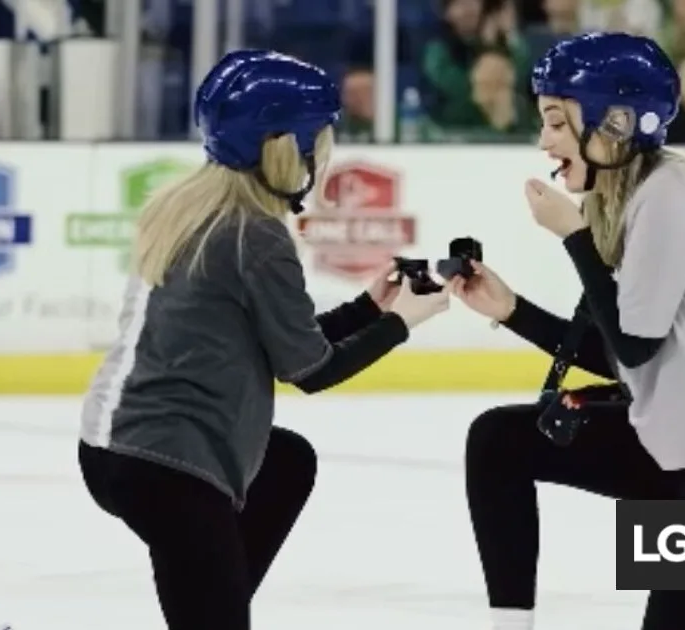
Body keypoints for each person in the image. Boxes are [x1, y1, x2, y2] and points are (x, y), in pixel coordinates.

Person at [77, 50, 449, 630]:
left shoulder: (185, 208)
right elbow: (311, 372)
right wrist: (402, 322)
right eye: (317, 143)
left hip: (116, 446)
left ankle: (214, 602)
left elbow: (286, 345)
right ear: (283, 146)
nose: (322, 158)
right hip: (167, 461)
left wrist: (369, 307)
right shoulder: (255, 235)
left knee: (285, 462)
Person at [446, 32, 685, 630]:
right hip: (674, 448)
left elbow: (635, 346)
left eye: (557, 122)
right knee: (497, 442)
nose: (544, 141)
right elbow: (625, 356)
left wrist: (574, 237)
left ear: (616, 121)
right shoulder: (631, 193)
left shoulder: (669, 196)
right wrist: (510, 310)